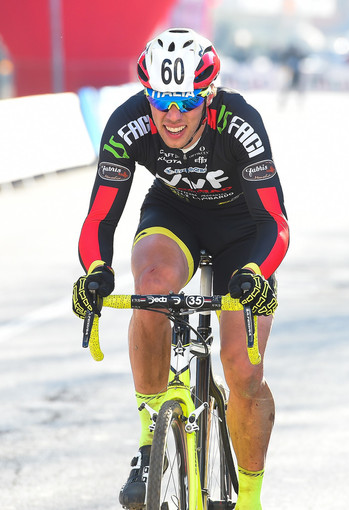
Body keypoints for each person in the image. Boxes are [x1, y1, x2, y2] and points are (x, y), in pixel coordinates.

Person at [72, 27, 289, 510]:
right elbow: (99, 216)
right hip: (176, 217)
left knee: (244, 371)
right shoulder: (129, 123)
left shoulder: (240, 123)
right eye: (160, 100)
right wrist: (94, 270)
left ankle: (249, 500)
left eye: (186, 101)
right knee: (150, 289)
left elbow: (275, 222)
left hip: (243, 233)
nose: (171, 115)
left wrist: (257, 272)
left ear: (207, 95)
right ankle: (151, 441)